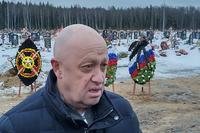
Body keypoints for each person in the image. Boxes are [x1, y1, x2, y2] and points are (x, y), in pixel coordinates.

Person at [0, 24, 141, 133]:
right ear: (58, 68)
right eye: (87, 67)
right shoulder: (15, 126)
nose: (99, 78)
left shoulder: (123, 111)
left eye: (103, 66)